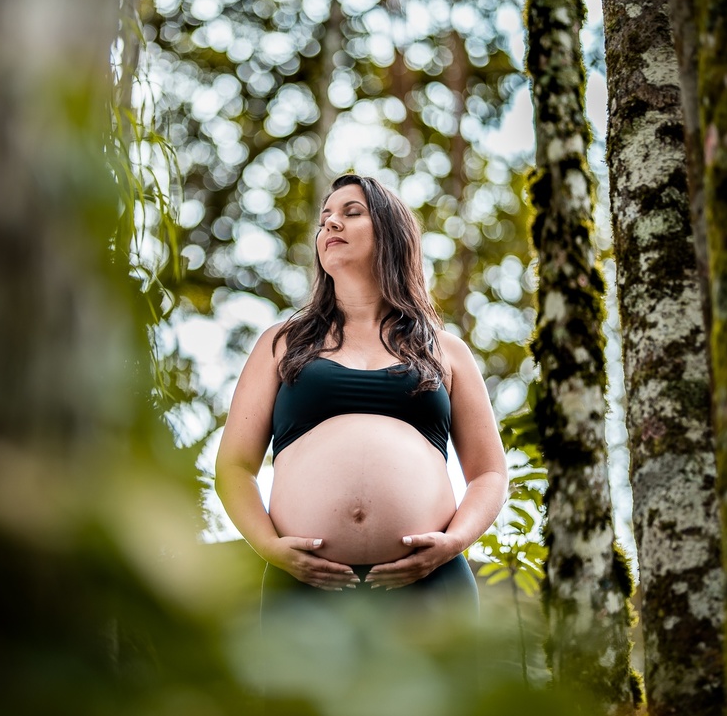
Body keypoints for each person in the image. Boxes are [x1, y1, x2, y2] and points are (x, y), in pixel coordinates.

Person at [214, 173, 507, 608]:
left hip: (429, 589)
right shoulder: (282, 343)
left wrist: (454, 542)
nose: (331, 224)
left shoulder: (447, 351)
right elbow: (234, 467)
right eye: (325, 218)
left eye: (351, 213)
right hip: (305, 590)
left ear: (391, 235)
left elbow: (490, 474)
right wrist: (269, 548)